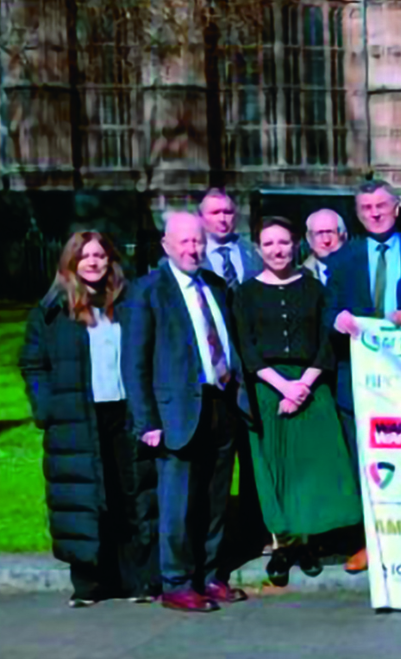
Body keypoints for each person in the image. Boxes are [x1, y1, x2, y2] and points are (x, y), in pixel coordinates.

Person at [122, 212, 254, 613]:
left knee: (215, 501)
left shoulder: (215, 286)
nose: (192, 249)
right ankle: (177, 582)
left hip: (221, 406)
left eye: (197, 242)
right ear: (166, 245)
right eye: (184, 242)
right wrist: (146, 421)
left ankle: (210, 576)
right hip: (176, 414)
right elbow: (135, 362)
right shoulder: (147, 291)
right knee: (178, 504)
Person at [19, 232, 156, 607]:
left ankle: (137, 580)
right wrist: (46, 410)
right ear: (71, 262)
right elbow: (33, 363)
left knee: (132, 495)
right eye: (85, 256)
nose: (93, 262)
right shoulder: (52, 310)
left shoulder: (128, 304)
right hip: (78, 418)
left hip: (123, 414)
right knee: (86, 499)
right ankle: (90, 584)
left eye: (100, 255)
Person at [233, 217, 357, 587]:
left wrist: (303, 385)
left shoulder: (315, 288)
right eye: (269, 243)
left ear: (296, 245)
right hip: (268, 387)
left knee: (309, 470)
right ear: (258, 249)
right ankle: (282, 546)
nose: (277, 250)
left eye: (284, 242)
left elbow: (326, 341)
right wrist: (282, 388)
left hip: (310, 384)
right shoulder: (245, 293)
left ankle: (308, 544)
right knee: (276, 470)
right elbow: (247, 347)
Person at [321, 180, 401, 573]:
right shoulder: (343, 258)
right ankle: (371, 542)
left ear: (396, 208)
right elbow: (329, 310)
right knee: (366, 465)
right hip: (361, 382)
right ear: (358, 214)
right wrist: (338, 319)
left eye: (382, 205)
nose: (375, 213)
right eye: (366, 208)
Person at [198, 188, 262, 288]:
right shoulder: (191, 255)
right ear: (201, 217)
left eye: (228, 212)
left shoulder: (255, 253)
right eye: (215, 213)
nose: (222, 219)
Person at [301, 209, 346, 286]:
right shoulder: (299, 276)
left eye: (330, 232)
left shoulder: (362, 272)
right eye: (319, 233)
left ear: (343, 236)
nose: (326, 240)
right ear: (308, 238)